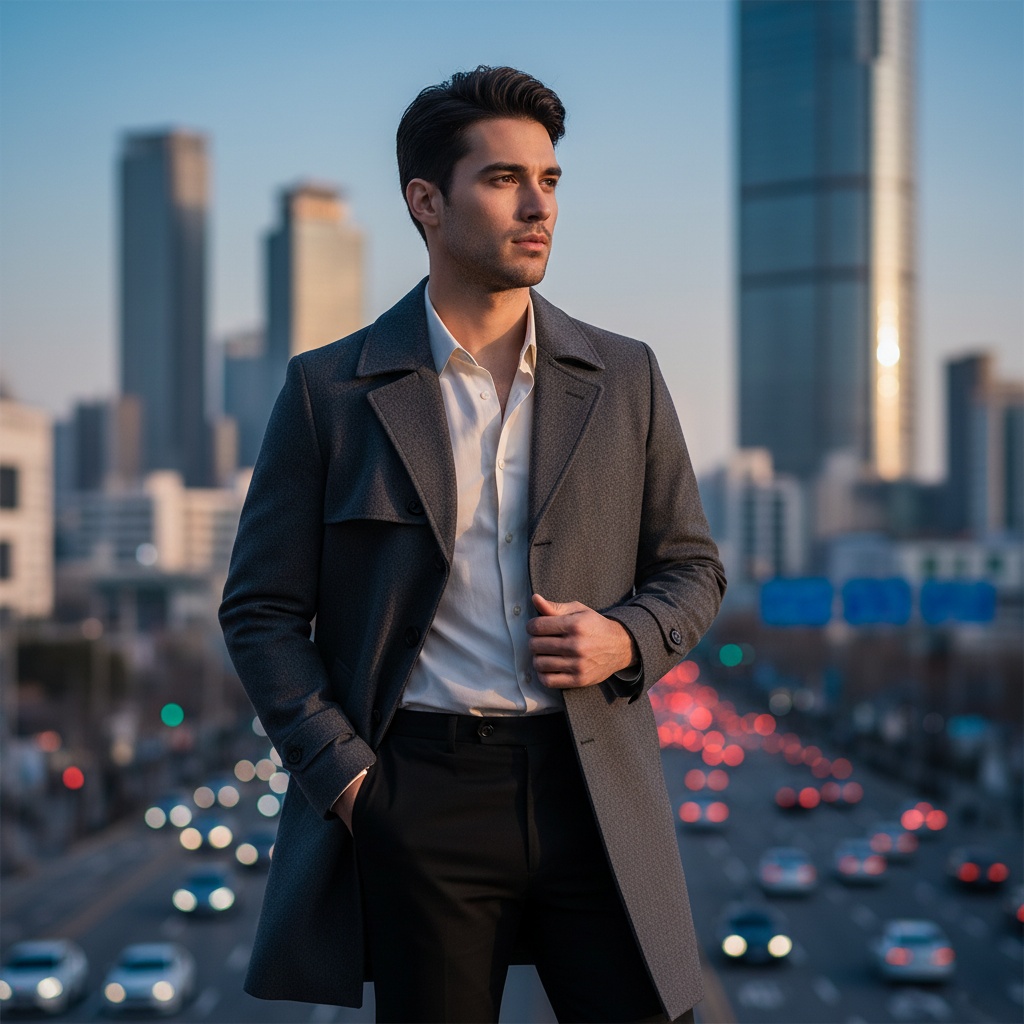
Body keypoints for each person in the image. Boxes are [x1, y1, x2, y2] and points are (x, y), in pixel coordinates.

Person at [220, 65, 726, 1024]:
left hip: (595, 786)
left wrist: (627, 638)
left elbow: (694, 569)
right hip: (421, 792)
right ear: (426, 201)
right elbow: (260, 610)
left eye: (551, 179)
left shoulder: (624, 375)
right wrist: (353, 783)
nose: (539, 206)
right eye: (503, 179)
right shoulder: (333, 392)